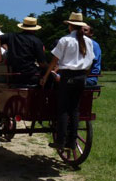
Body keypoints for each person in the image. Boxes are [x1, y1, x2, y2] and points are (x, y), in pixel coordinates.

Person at [40, 12, 94, 150]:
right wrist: (85, 75)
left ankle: (61, 141)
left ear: (70, 26)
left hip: (68, 76)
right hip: (81, 77)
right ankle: (71, 142)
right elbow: (90, 62)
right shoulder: (88, 41)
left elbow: (54, 61)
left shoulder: (65, 40)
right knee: (75, 110)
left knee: (63, 109)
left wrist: (46, 76)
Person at [0, 17, 47, 84]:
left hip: (13, 76)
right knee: (50, 77)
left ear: (23, 27)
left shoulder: (12, 36)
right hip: (30, 76)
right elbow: (42, 63)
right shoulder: (36, 41)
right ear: (34, 29)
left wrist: (0, 58)